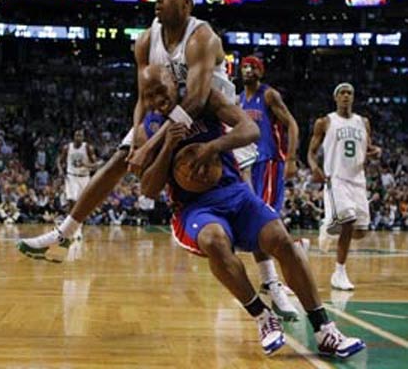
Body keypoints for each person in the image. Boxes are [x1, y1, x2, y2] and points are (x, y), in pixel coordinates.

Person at [138, 65, 365, 358]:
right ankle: (262, 316)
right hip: (194, 209)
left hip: (236, 193)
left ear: (174, 82)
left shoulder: (205, 100)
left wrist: (214, 146)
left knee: (281, 239)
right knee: (213, 240)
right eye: (149, 95)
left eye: (161, 90)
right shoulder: (148, 129)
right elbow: (147, 189)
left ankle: (324, 330)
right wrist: (168, 146)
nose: (158, 99)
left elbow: (251, 129)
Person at [17, 0, 236, 259]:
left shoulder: (202, 37)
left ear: (186, 4)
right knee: (118, 160)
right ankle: (65, 232)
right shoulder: (146, 40)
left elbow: (195, 101)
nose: (159, 0)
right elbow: (144, 96)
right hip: (171, 113)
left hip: (215, 114)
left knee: (244, 182)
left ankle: (270, 277)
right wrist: (136, 138)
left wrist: (149, 145)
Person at [237, 55, 301, 321]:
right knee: (257, 222)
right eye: (245, 66)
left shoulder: (269, 95)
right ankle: (271, 278)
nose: (248, 70)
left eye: (253, 66)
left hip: (271, 162)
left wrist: (292, 158)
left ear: (260, 71)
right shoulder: (238, 100)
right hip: (249, 165)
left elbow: (292, 124)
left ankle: (275, 279)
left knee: (264, 220)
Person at [307, 83, 381, 290]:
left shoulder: (363, 122)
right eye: (342, 93)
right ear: (336, 97)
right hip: (336, 179)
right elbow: (311, 152)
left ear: (353, 97)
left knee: (360, 231)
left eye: (350, 92)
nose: (346, 96)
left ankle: (328, 228)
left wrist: (375, 152)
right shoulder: (325, 122)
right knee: (348, 221)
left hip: (358, 180)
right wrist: (314, 168)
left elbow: (366, 149)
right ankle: (339, 273)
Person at [56, 129, 97, 239]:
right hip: (71, 177)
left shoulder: (88, 148)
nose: (79, 137)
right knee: (71, 200)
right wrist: (60, 171)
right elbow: (59, 161)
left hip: (84, 178)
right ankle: (70, 228)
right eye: (77, 135)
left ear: (83, 137)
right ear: (73, 137)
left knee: (82, 203)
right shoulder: (67, 148)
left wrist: (86, 165)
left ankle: (78, 228)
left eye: (81, 136)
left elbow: (95, 164)